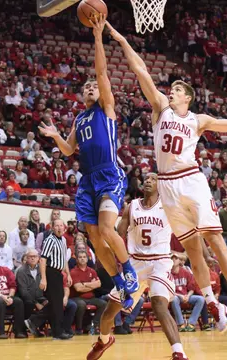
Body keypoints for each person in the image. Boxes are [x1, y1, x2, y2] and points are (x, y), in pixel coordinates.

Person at [107, 21, 227, 330]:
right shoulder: (161, 108)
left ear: (186, 97)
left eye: (176, 90)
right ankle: (212, 302)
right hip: (167, 187)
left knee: (214, 238)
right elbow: (140, 71)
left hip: (190, 179)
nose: (170, 92)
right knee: (192, 249)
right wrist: (121, 39)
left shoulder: (199, 120)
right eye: (170, 90)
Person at [39, 16, 138, 309]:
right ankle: (120, 286)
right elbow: (70, 150)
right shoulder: (80, 118)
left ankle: (129, 272)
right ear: (82, 96)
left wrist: (97, 38)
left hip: (109, 175)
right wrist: (56, 135)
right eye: (87, 87)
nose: (92, 87)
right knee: (95, 238)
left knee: (108, 230)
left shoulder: (106, 108)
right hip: (88, 180)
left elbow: (102, 70)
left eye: (94, 85)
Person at [88, 173, 186, 360]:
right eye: (146, 178)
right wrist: (106, 253)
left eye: (153, 179)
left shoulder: (168, 206)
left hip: (160, 262)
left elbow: (187, 229)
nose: (148, 181)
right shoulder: (132, 207)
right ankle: (104, 340)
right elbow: (118, 235)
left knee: (159, 304)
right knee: (109, 312)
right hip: (134, 265)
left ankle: (178, 352)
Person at [39, 219, 73, 340]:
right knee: (56, 304)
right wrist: (43, 279)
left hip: (59, 273)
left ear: (64, 228)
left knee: (56, 304)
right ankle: (58, 332)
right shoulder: (50, 240)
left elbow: (64, 260)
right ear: (52, 228)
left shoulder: (63, 240)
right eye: (56, 226)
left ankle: (55, 331)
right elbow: (42, 259)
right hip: (50, 272)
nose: (59, 228)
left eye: (61, 226)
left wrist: (68, 274)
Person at [70, 250, 107, 334]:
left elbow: (99, 284)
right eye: (80, 257)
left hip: (91, 297)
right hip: (77, 297)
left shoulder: (92, 271)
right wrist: (92, 284)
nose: (82, 259)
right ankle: (79, 328)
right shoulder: (73, 272)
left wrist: (85, 284)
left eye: (84, 257)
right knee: (81, 305)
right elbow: (78, 289)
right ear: (77, 259)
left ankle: (92, 326)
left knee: (104, 304)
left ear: (87, 259)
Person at [17, 249, 51, 338]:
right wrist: (36, 303)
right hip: (27, 298)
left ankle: (33, 323)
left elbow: (47, 286)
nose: (32, 259)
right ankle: (28, 326)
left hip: (41, 297)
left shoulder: (43, 269)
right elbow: (23, 291)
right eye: (30, 257)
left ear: (38, 258)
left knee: (52, 303)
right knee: (29, 303)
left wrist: (45, 299)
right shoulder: (21, 271)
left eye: (34, 256)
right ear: (27, 258)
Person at [170, 253, 208, 332]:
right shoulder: (167, 273)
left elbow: (192, 288)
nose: (173, 260)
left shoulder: (185, 272)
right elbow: (169, 290)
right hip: (174, 296)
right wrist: (180, 295)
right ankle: (181, 324)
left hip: (185, 296)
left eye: (175, 258)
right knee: (174, 299)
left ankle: (191, 323)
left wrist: (187, 295)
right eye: (172, 258)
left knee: (200, 299)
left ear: (180, 261)